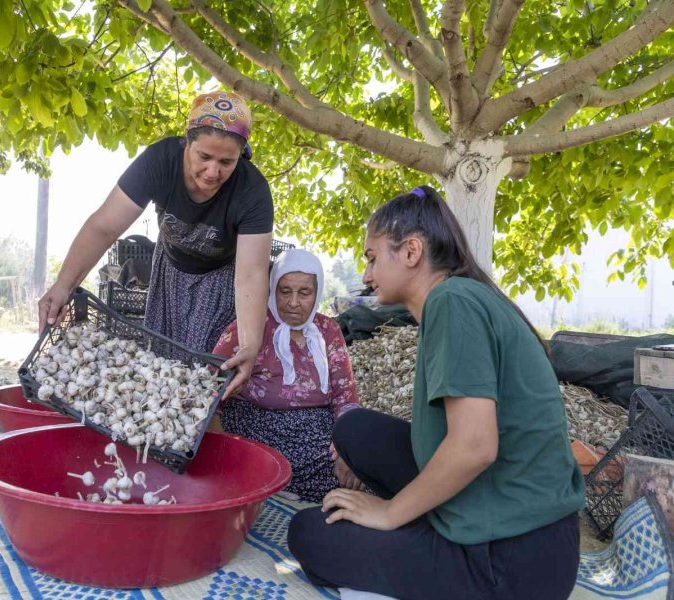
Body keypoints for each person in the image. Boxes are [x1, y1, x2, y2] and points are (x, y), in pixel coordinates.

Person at [287, 186, 584, 600]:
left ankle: (430, 537)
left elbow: (475, 446)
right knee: (355, 429)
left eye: (372, 258)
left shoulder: (451, 302)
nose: (367, 275)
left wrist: (390, 513)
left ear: (411, 252)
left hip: (514, 561)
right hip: (515, 521)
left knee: (308, 533)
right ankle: (429, 524)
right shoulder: (459, 296)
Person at [39, 91, 274, 396]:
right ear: (187, 142)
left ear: (240, 155)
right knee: (161, 367)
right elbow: (103, 228)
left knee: (202, 379)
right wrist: (64, 285)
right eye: (204, 157)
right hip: (170, 269)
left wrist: (250, 344)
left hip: (220, 279)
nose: (213, 172)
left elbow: (251, 273)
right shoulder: (159, 161)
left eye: (226, 162)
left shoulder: (252, 191)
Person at [212, 248, 360, 502]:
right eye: (285, 291)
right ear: (272, 289)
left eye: (304, 293)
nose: (293, 302)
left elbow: (345, 395)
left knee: (365, 463)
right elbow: (209, 385)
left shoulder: (328, 330)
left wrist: (348, 442)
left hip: (321, 428)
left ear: (317, 293)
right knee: (330, 475)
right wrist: (221, 445)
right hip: (261, 425)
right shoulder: (249, 329)